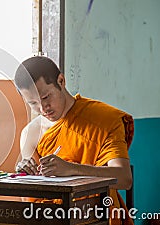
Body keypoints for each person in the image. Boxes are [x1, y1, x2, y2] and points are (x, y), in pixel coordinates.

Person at [14, 56, 134, 225]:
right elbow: (33, 191)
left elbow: (124, 178)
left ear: (61, 81)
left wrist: (72, 169)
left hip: (97, 216)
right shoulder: (30, 133)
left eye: (46, 97)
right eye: (33, 103)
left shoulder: (104, 120)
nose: (42, 109)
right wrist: (22, 171)